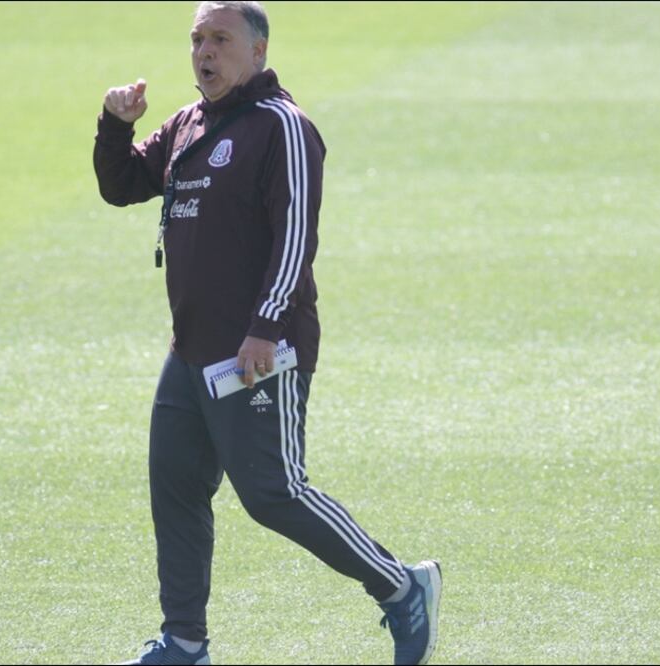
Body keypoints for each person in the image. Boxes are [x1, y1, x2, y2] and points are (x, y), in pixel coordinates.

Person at [93, 2, 441, 664]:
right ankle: (184, 643)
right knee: (174, 486)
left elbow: (294, 237)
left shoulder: (283, 127)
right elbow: (121, 186)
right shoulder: (188, 123)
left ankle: (402, 586)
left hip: (260, 350)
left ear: (256, 52)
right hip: (189, 351)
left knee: (273, 493)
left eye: (220, 39)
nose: (204, 52)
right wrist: (114, 126)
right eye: (196, 39)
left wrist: (264, 328)